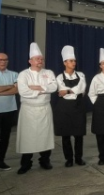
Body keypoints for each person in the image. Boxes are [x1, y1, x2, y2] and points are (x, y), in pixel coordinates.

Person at [15, 42, 58, 174]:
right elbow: (23, 91)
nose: (40, 61)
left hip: (44, 108)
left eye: (41, 59)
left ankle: (45, 160)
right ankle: (26, 163)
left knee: (45, 136)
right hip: (28, 110)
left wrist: (37, 88)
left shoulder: (48, 72)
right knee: (27, 137)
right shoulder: (23, 74)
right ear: (30, 61)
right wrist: (43, 90)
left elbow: (54, 87)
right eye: (37, 58)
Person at [53, 46, 87, 167]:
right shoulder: (59, 77)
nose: (74, 63)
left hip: (78, 106)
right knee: (65, 134)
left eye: (74, 61)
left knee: (79, 134)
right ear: (65, 63)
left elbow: (81, 88)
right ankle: (69, 159)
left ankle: (78, 158)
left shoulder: (81, 75)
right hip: (64, 108)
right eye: (71, 61)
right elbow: (61, 91)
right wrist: (73, 91)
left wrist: (67, 91)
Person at [0, 52, 18, 171]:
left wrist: (1, 91)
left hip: (9, 110)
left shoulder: (14, 74)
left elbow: (17, 90)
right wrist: (9, 86)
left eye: (5, 60)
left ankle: (1, 160)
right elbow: (12, 88)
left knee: (5, 137)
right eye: (1, 60)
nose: (3, 62)